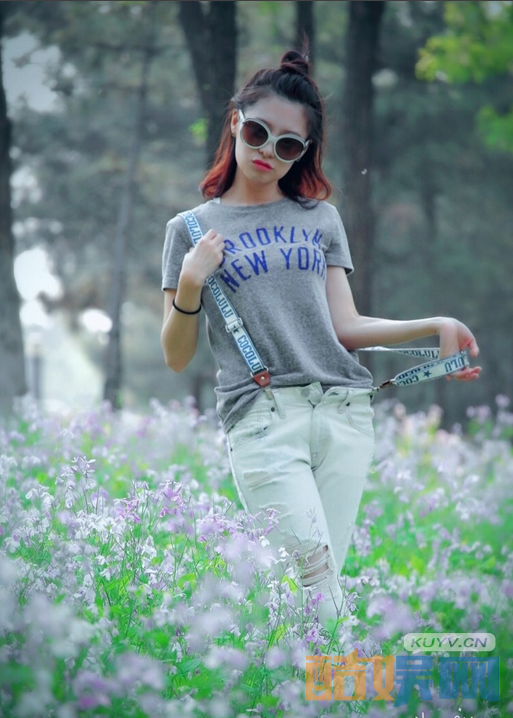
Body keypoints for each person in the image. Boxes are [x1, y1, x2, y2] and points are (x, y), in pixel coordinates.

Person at [160, 49, 481, 628]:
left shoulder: (320, 219)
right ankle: (354, 677)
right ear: (235, 122)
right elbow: (176, 357)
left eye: (288, 145)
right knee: (319, 592)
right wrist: (190, 282)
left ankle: (297, 677)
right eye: (257, 132)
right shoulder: (189, 230)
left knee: (310, 601)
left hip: (344, 417)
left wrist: (435, 328)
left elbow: (345, 327)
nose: (268, 151)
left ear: (303, 152)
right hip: (263, 420)